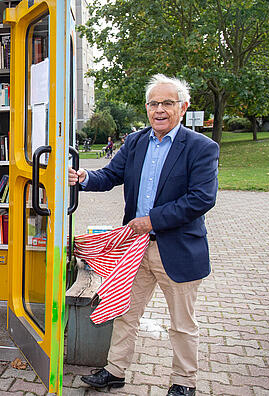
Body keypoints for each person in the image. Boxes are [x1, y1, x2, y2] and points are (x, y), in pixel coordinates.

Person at [68, 74, 219, 396]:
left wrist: (152, 221)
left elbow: (201, 198)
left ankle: (184, 382)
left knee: (182, 324)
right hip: (135, 249)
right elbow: (110, 175)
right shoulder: (135, 142)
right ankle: (115, 371)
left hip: (177, 249)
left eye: (167, 103)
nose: (159, 110)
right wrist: (83, 176)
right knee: (125, 313)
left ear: (183, 107)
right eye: (154, 103)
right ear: (147, 107)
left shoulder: (202, 147)